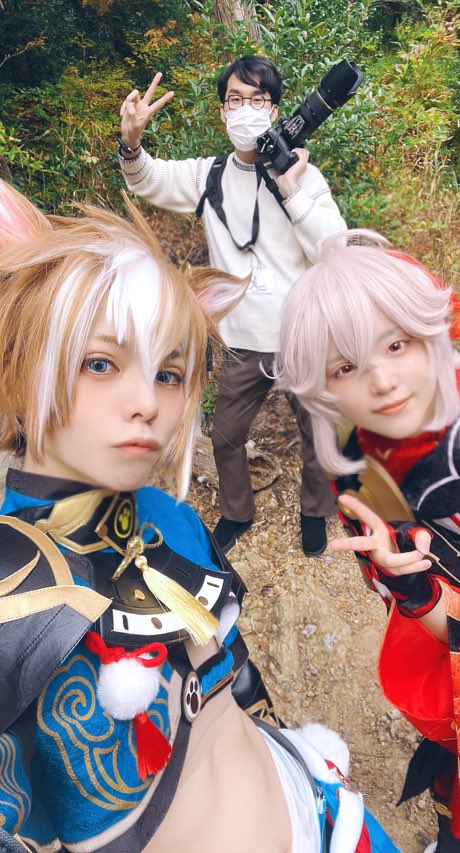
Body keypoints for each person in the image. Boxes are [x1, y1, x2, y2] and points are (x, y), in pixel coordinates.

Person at [0, 146, 399, 853]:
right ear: (24, 361)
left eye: (169, 373)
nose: (148, 403)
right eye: (100, 362)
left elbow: (234, 683)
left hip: (324, 808)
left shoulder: (176, 519)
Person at [278, 229, 460, 853]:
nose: (382, 380)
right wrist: (412, 585)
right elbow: (459, 632)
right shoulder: (362, 474)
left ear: (436, 331)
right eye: (345, 367)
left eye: (397, 344)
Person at [118, 55, 347, 557]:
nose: (245, 109)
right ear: (223, 112)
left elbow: (335, 249)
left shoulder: (304, 175)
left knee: (318, 434)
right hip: (242, 339)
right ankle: (237, 512)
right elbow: (147, 179)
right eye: (235, 100)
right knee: (225, 435)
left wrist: (290, 189)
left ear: (275, 109)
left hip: (302, 336)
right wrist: (131, 141)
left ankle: (315, 511)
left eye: (257, 99)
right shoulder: (209, 176)